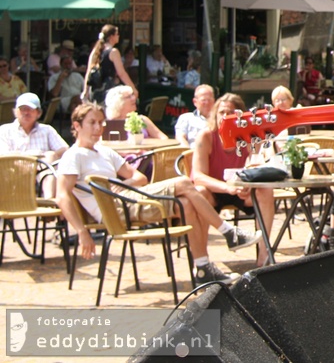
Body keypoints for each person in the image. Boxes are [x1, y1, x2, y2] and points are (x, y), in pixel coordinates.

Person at [55, 102, 260, 282]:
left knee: (187, 203)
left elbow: (140, 178)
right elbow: (62, 195)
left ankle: (203, 268)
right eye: (92, 123)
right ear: (77, 126)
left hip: (129, 199)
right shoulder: (74, 156)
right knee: (184, 183)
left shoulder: (104, 151)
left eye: (101, 122)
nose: (98, 128)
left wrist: (121, 184)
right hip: (115, 210)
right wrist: (82, 232)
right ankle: (229, 232)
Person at [192, 93, 276, 267]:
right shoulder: (206, 136)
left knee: (265, 190)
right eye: (222, 112)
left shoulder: (249, 137)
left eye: (230, 113)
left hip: (241, 189)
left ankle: (264, 255)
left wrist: (247, 182)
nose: (225, 116)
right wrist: (227, 187)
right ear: (215, 114)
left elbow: (257, 165)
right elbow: (198, 176)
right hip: (215, 190)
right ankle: (203, 263)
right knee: (199, 193)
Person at [0, 92, 68, 196]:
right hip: (15, 170)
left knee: (50, 157)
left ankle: (48, 201)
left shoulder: (47, 130)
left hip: (42, 170)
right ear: (15, 112)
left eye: (30, 109)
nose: (26, 113)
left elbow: (65, 150)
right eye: (23, 109)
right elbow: (4, 155)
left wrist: (50, 156)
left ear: (38, 113)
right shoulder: (5, 130)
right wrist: (32, 156)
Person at [83, 24, 136, 103]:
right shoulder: (113, 52)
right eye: (117, 34)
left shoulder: (95, 51)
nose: (118, 36)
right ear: (111, 36)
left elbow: (89, 72)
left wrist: (85, 91)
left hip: (95, 91)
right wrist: (133, 88)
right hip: (109, 91)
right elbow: (121, 73)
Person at [105, 85, 170, 140]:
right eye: (129, 97)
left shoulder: (142, 120)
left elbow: (164, 138)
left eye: (132, 95)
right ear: (118, 103)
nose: (134, 98)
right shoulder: (109, 124)